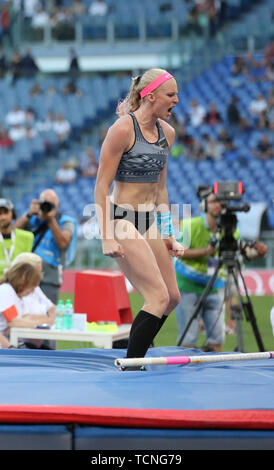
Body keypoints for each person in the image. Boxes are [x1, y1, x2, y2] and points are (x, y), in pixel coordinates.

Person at [94, 68, 184, 370]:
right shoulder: (122, 129)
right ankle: (131, 366)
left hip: (150, 221)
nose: (177, 100)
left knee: (172, 298)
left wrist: (169, 232)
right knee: (156, 297)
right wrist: (107, 235)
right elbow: (101, 187)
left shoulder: (167, 134)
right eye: (171, 95)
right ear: (151, 96)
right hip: (122, 219)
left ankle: (137, 350)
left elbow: (161, 190)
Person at [174, 191, 268, 352]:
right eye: (213, 201)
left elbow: (241, 251)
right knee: (188, 340)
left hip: (214, 287)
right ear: (204, 205)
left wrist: (257, 252)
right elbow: (178, 251)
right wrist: (205, 251)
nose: (218, 205)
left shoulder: (230, 229)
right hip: (188, 286)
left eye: (221, 202)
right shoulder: (191, 225)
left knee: (217, 339)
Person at [14, 189, 78, 304]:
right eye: (44, 203)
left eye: (50, 204)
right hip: (27, 275)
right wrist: (28, 214)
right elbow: (12, 234)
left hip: (50, 278)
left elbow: (63, 244)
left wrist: (50, 220)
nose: (46, 207)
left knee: (48, 312)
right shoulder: (32, 219)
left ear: (58, 205)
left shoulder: (66, 222)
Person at [10, 252, 56, 349]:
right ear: (25, 274)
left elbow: (52, 308)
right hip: (22, 341)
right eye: (37, 272)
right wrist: (47, 321)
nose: (40, 276)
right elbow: (16, 321)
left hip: (32, 339)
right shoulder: (12, 291)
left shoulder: (32, 289)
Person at [0, 262, 43, 347]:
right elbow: (14, 322)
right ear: (23, 282)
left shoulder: (18, 296)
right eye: (32, 286)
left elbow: (24, 318)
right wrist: (39, 325)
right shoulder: (6, 291)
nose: (33, 291)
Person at [0, 198, 34, 278]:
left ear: (13, 214)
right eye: (0, 214)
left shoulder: (27, 237)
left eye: (6, 212)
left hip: (19, 286)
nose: (3, 217)